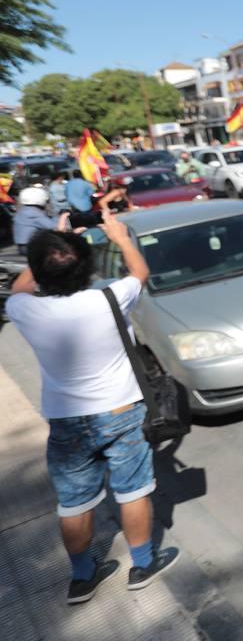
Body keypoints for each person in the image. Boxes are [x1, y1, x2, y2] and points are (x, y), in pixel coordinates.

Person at [6, 216, 179, 604]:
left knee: (74, 502)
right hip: (121, 412)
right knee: (132, 491)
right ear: (87, 266)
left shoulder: (24, 310)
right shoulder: (109, 298)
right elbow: (140, 271)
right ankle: (142, 564)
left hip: (67, 422)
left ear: (38, 267)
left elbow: (23, 285)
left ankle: (83, 578)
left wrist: (54, 240)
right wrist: (118, 236)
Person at [14, 187, 68, 257]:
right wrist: (62, 216)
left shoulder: (24, 211)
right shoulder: (33, 213)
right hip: (31, 247)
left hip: (23, 246)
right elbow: (56, 228)